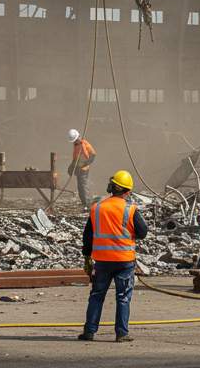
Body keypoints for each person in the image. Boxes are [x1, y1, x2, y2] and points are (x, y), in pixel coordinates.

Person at [79, 169, 148, 343]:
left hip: (102, 261)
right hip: (124, 261)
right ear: (128, 191)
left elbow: (87, 236)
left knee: (96, 295)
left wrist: (87, 257)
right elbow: (142, 232)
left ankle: (89, 332)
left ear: (111, 187)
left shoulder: (97, 208)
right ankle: (121, 333)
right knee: (123, 297)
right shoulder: (130, 210)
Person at [67, 129, 97, 206]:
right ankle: (85, 203)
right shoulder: (76, 145)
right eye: (74, 141)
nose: (74, 142)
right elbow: (75, 158)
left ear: (78, 137)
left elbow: (93, 155)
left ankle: (87, 204)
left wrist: (85, 164)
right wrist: (71, 167)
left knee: (83, 187)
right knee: (80, 187)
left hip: (83, 169)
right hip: (78, 168)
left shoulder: (84, 143)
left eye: (75, 140)